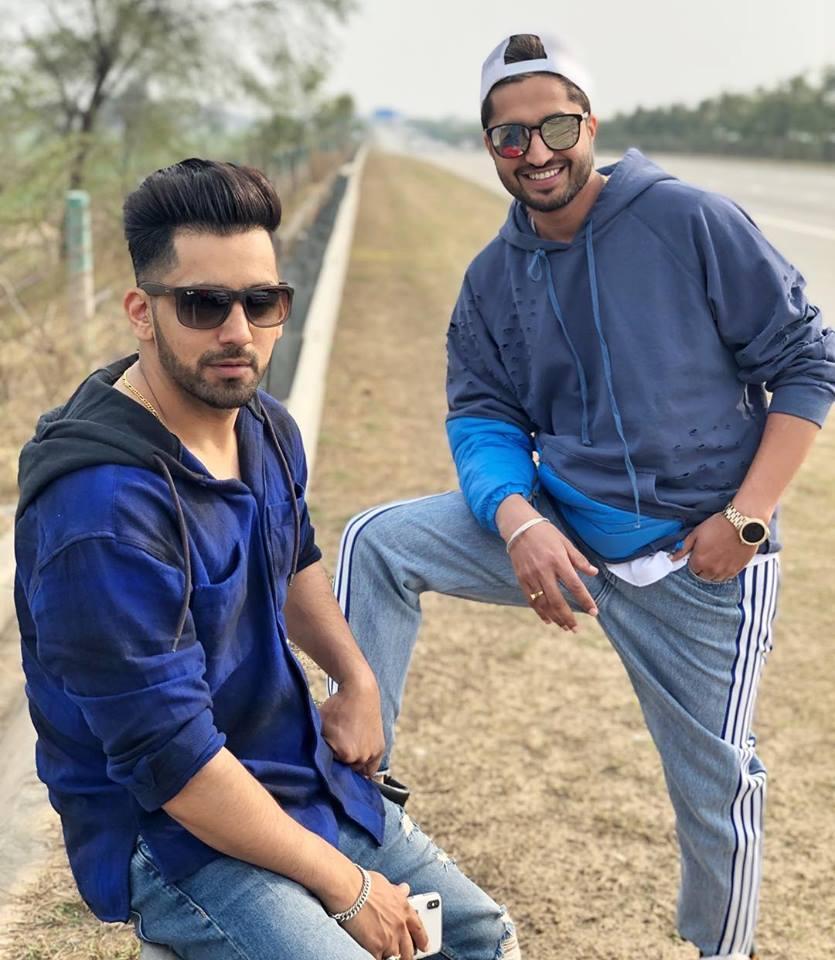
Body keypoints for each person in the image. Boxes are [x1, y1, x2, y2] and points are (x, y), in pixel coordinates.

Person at [332, 33, 835, 960]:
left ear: (589, 125)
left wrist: (745, 518)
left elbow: (806, 360)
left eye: (555, 127)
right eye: (510, 137)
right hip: (565, 531)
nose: (536, 152)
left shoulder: (686, 220)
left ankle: (720, 951)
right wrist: (517, 517)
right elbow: (481, 414)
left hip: (697, 553)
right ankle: (355, 796)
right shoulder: (491, 277)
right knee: (376, 543)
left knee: (716, 788)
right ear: (489, 145)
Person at [14, 158, 522, 960]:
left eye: (261, 302)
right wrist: (348, 886)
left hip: (285, 769)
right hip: (168, 828)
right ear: (142, 312)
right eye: (203, 304)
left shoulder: (263, 426)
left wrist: (355, 678)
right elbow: (172, 764)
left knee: (477, 937)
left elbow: (292, 555)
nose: (238, 331)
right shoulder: (102, 515)